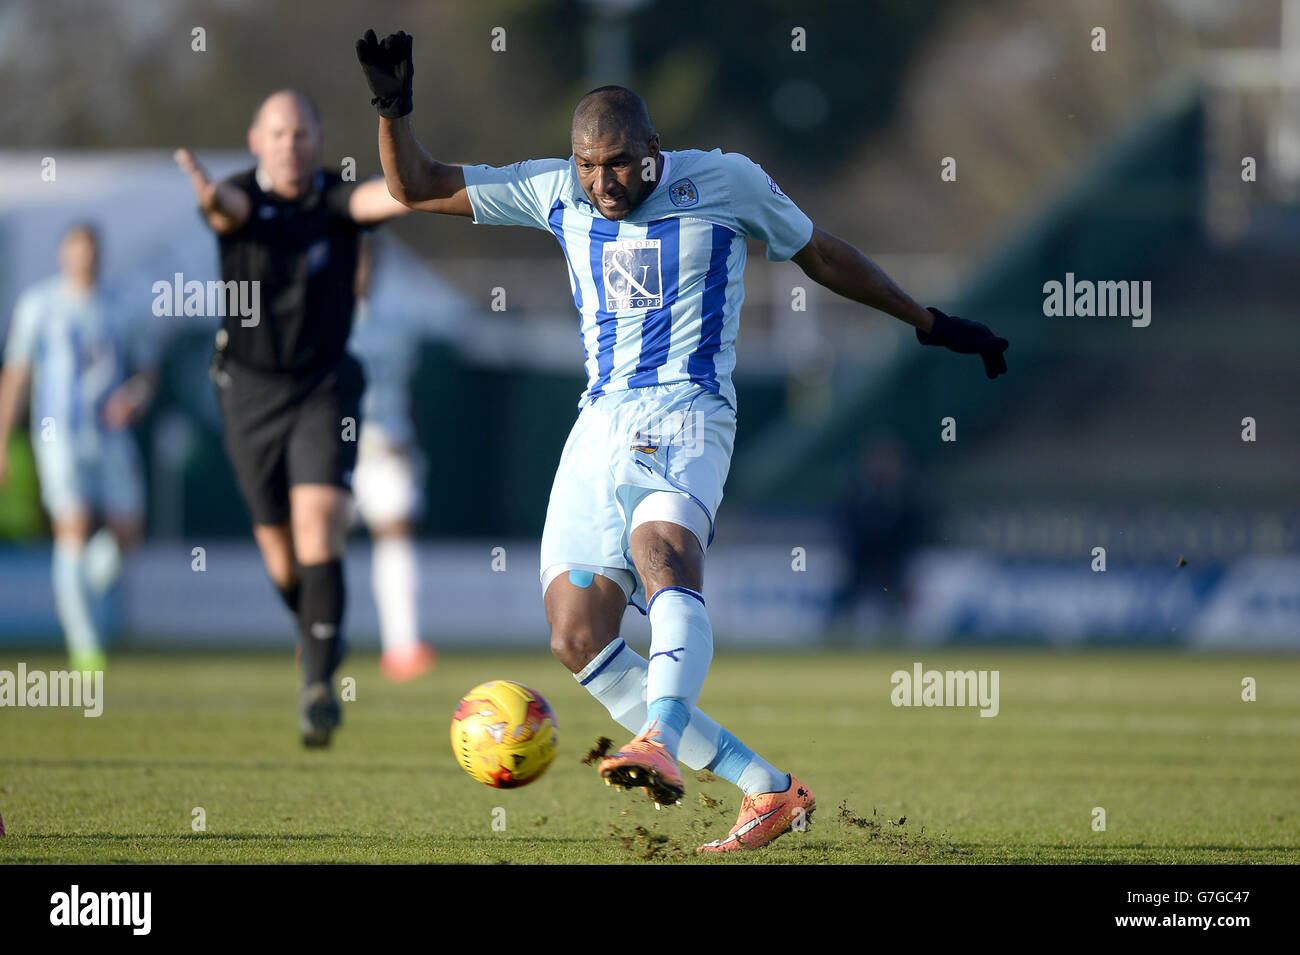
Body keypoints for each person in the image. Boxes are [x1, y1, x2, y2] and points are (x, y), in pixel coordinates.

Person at [355, 30, 1008, 849]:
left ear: (654, 151)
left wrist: (930, 321)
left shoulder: (724, 180)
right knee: (576, 635)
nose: (603, 181)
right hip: (598, 422)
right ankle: (765, 788)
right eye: (590, 165)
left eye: (620, 162)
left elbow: (823, 255)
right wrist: (392, 106)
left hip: (689, 407)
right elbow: (413, 185)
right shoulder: (553, 191)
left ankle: (658, 738)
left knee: (663, 550)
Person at [175, 89, 410, 746]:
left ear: (318, 139)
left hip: (323, 386)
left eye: (302, 133)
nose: (290, 145)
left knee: (318, 523)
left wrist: (415, 176)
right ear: (256, 139)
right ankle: (319, 634)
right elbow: (225, 211)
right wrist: (205, 193)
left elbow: (378, 198)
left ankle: (317, 683)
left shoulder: (334, 198)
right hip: (246, 391)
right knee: (281, 553)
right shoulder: (239, 197)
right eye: (278, 133)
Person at [0, 223, 156, 671]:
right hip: (57, 434)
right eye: (76, 251)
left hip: (110, 436)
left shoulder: (121, 305)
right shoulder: (39, 305)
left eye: (91, 251)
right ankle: (85, 643)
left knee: (128, 533)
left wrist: (135, 397)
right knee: (74, 525)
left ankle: (77, 593)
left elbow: (146, 372)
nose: (84, 259)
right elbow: (16, 373)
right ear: (62, 256)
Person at [346, 236, 437, 682]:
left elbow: (403, 386)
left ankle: (402, 646)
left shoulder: (397, 321)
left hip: (387, 447)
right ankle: (320, 634)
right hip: (332, 450)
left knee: (396, 530)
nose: (365, 268)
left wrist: (404, 432)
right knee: (320, 542)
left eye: (370, 259)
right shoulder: (319, 318)